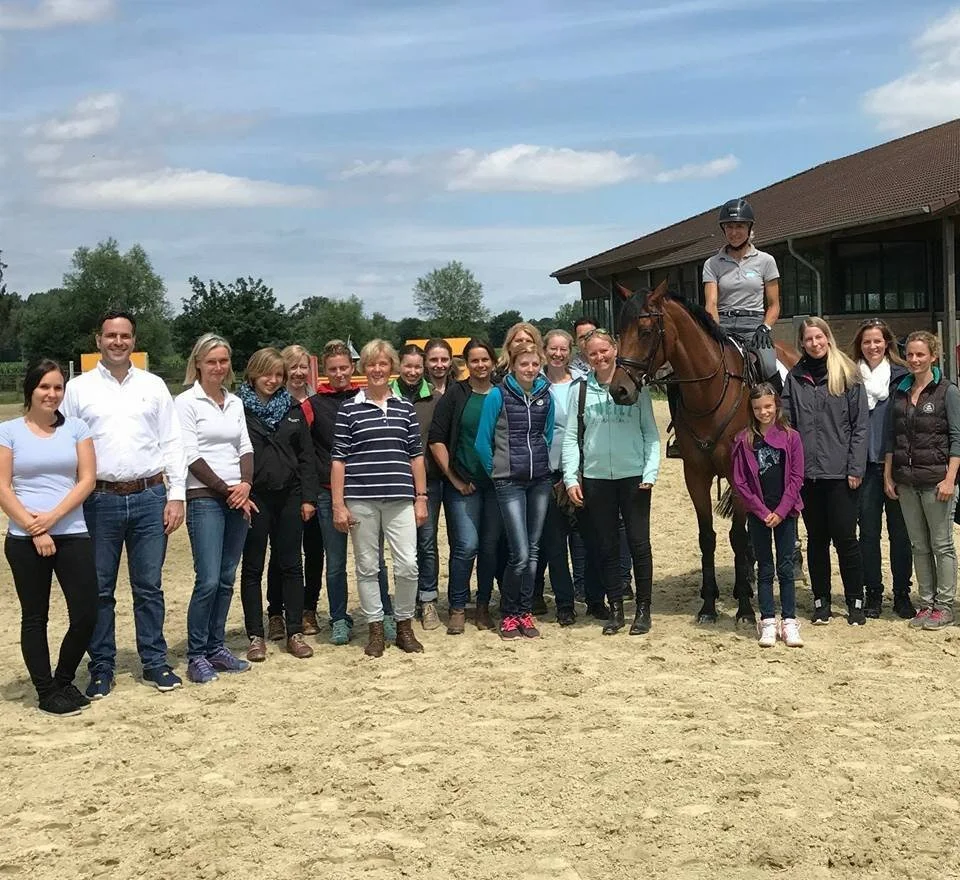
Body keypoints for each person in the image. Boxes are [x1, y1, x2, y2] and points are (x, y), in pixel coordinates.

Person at [62, 309, 187, 699]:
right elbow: (64, 445)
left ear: (134, 341)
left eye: (125, 336)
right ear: (98, 340)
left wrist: (177, 494)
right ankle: (101, 666)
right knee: (99, 589)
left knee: (149, 586)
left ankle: (154, 660)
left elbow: (172, 442)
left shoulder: (153, 386)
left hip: (150, 497)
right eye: (111, 335)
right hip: (99, 500)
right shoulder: (78, 390)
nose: (118, 342)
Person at [0, 360, 98, 716]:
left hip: (72, 532)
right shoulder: (9, 431)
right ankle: (45, 690)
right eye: (45, 387)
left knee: (87, 612)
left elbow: (87, 479)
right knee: (35, 617)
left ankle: (64, 679)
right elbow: (2, 486)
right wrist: (32, 527)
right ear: (31, 389)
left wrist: (53, 519)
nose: (52, 394)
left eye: (58, 387)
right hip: (25, 539)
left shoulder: (76, 427)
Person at [332, 339, 428, 657]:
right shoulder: (349, 409)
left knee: (408, 566)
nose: (377, 369)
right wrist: (338, 504)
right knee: (367, 566)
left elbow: (416, 456)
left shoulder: (405, 408)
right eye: (372, 363)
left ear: (392, 368)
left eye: (383, 363)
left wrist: (422, 497)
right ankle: (375, 627)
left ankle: (403, 624)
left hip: (401, 498)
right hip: (361, 498)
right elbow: (339, 460)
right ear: (365, 368)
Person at [562, 329, 659, 636]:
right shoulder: (578, 390)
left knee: (639, 545)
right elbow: (570, 439)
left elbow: (651, 434)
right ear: (586, 357)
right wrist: (570, 477)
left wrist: (650, 472)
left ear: (615, 349)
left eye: (604, 350)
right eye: (593, 353)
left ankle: (643, 611)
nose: (600, 357)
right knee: (607, 545)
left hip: (634, 478)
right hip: (596, 478)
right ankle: (615, 610)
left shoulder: (636, 388)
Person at [175, 334, 256, 684]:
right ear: (198, 364)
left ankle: (216, 646)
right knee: (207, 579)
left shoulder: (234, 402)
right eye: (212, 362)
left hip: (237, 496)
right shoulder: (185, 402)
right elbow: (190, 455)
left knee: (226, 578)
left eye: (223, 361)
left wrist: (246, 485)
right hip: (205, 498)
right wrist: (227, 491)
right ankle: (196, 654)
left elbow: (245, 446)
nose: (218, 368)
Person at [303, 340, 394, 645]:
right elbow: (302, 448)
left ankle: (385, 614)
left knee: (374, 559)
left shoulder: (365, 398)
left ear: (352, 367)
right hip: (330, 495)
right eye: (333, 369)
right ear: (325, 372)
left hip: (366, 491)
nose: (339, 373)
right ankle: (339, 617)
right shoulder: (314, 404)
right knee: (337, 561)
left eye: (344, 367)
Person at [782, 317, 868, 626]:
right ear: (802, 343)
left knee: (846, 538)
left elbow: (860, 427)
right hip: (808, 476)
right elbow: (787, 426)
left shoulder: (847, 374)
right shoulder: (795, 377)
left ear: (827, 338)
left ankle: (855, 601)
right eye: (808, 339)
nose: (815, 343)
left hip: (841, 473)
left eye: (819, 337)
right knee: (817, 539)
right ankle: (821, 601)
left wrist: (855, 467)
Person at [238, 348, 319, 662]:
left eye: (278, 375)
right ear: (253, 374)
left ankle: (294, 630)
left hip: (290, 496)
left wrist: (309, 498)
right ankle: (256, 635)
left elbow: (306, 458)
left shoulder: (294, 409)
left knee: (291, 564)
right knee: (253, 568)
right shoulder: (238, 409)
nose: (272, 381)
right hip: (254, 498)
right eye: (266, 374)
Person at [476, 342, 555, 640]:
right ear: (513, 365)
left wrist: (542, 466)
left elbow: (546, 435)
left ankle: (525, 611)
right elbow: (483, 442)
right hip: (509, 481)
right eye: (524, 365)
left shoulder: (545, 396)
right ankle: (509, 613)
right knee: (519, 553)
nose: (530, 370)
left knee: (533, 552)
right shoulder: (498, 395)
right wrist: (497, 471)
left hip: (539, 481)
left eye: (535, 365)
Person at [884, 331, 960, 630]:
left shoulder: (947, 391)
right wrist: (889, 474)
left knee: (942, 544)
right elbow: (892, 437)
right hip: (906, 480)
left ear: (933, 356)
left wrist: (950, 479)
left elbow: (957, 438)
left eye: (920, 355)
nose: (914, 360)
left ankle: (944, 605)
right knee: (918, 545)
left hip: (936, 480)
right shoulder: (900, 391)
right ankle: (926, 603)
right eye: (910, 355)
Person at [429, 339, 502, 633]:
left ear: (493, 362)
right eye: (474, 360)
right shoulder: (456, 395)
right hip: (463, 483)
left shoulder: (502, 393)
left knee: (489, 547)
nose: (481, 365)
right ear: (466, 363)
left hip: (497, 484)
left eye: (485, 359)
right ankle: (458, 605)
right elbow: (436, 439)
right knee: (465, 546)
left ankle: (482, 606)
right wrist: (455, 479)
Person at [850, 319, 915, 619]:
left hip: (896, 466)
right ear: (859, 346)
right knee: (869, 534)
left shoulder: (903, 377)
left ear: (887, 343)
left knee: (900, 535)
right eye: (867, 342)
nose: (872, 346)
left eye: (877, 341)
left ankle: (902, 592)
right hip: (864, 467)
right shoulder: (851, 377)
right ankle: (873, 591)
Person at [731, 384, 805, 648]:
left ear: (776, 406)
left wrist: (782, 510)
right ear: (751, 410)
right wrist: (762, 511)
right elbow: (740, 482)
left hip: (785, 511)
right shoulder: (744, 440)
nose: (764, 412)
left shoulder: (791, 437)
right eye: (758, 408)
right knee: (764, 567)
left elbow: (797, 477)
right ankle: (768, 620)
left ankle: (789, 620)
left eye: (768, 407)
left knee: (785, 566)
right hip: (759, 513)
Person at [267, 344, 323, 637]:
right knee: (282, 552)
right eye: (293, 366)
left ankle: (308, 608)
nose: (299, 372)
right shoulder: (275, 402)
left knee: (315, 550)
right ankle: (276, 611)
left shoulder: (317, 400)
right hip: (283, 488)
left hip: (311, 485)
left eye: (303, 366)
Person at [391, 344, 443, 630]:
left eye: (417, 367)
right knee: (401, 547)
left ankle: (428, 598)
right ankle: (403, 601)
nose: (412, 371)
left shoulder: (433, 398)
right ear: (399, 365)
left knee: (427, 542)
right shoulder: (387, 397)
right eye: (408, 366)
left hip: (428, 481)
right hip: (394, 481)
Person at [703, 198, 781, 384]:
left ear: (749, 228)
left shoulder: (766, 261)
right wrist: (716, 328)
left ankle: (781, 408)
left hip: (754, 325)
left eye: (739, 226)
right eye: (729, 227)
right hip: (722, 324)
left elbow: (774, 305)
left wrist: (765, 327)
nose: (734, 232)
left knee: (769, 366)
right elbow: (711, 303)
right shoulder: (712, 264)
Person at [534, 329, 579, 625]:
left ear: (570, 351)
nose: (558, 354)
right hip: (545, 473)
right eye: (553, 349)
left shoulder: (581, 383)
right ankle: (564, 603)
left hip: (576, 473)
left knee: (584, 541)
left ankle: (594, 598)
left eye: (563, 349)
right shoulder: (534, 384)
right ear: (544, 350)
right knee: (554, 544)